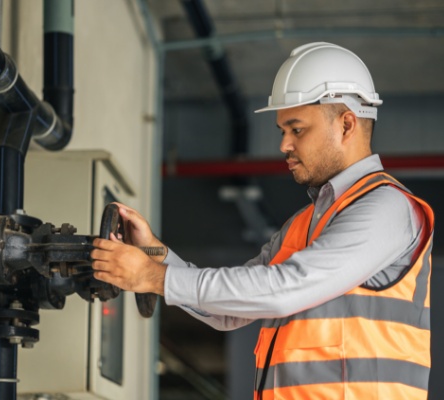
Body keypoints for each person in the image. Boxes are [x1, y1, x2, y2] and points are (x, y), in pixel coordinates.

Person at [91, 42, 434, 399]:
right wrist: (154, 253)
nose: (284, 144)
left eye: (297, 129)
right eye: (282, 130)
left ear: (346, 125)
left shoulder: (387, 208)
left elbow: (285, 289)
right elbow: (229, 313)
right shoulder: (304, 224)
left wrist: (152, 278)